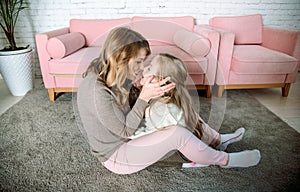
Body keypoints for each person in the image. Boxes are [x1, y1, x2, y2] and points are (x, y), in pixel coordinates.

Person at [77, 27, 261, 175]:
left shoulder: (114, 70)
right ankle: (225, 160)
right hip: (117, 154)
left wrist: (146, 89)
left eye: (144, 62)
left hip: (132, 134)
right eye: (139, 62)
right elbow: (124, 131)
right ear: (121, 58)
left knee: (177, 107)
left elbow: (128, 102)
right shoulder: (96, 91)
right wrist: (144, 98)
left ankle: (216, 140)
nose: (142, 68)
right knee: (177, 133)